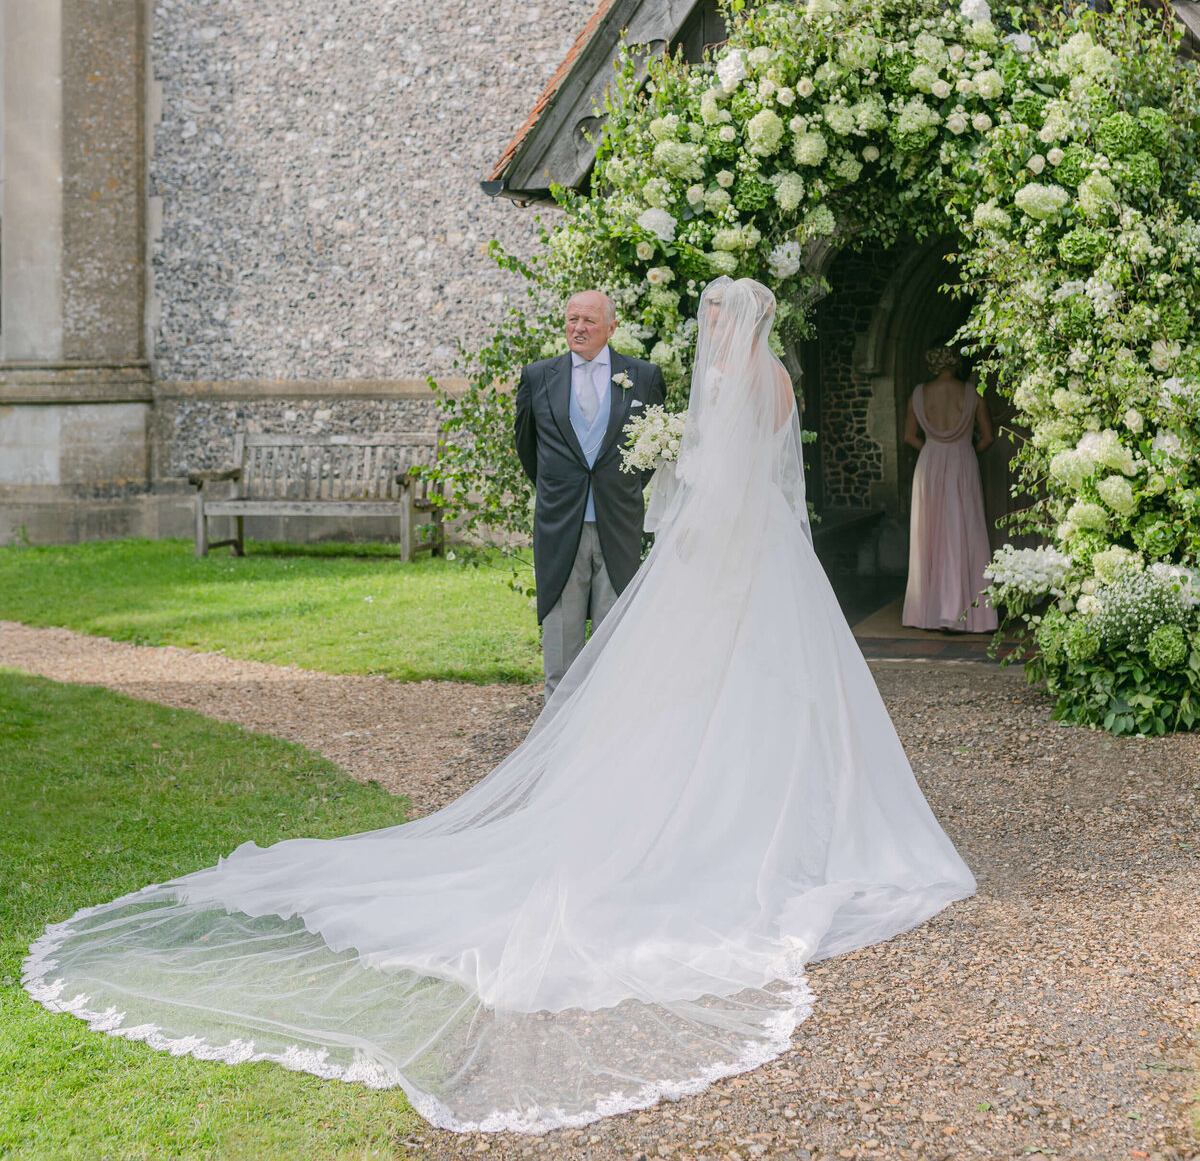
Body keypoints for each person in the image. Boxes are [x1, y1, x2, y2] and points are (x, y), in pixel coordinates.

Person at [24, 279, 976, 1133]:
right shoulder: (777, 385)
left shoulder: (730, 384)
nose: (710, 331)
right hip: (770, 559)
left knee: (718, 687)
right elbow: (768, 478)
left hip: (724, 552)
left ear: (733, 324)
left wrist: (681, 509)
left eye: (717, 319)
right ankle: (783, 806)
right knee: (771, 690)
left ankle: (731, 811)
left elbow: (718, 480)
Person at [514, 290, 667, 699]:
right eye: (572, 319)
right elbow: (528, 449)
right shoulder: (537, 376)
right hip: (561, 526)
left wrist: (619, 488)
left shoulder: (644, 376)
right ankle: (555, 750)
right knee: (560, 650)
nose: (578, 328)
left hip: (618, 525)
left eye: (589, 321)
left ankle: (606, 749)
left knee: (613, 646)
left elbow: (649, 453)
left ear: (612, 328)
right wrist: (561, 490)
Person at [902, 345, 998, 632]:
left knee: (929, 533)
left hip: (929, 465)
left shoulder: (919, 394)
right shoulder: (972, 394)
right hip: (962, 463)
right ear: (957, 362)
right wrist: (964, 451)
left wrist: (934, 450)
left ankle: (926, 613)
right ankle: (971, 614)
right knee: (965, 531)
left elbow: (909, 436)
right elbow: (988, 437)